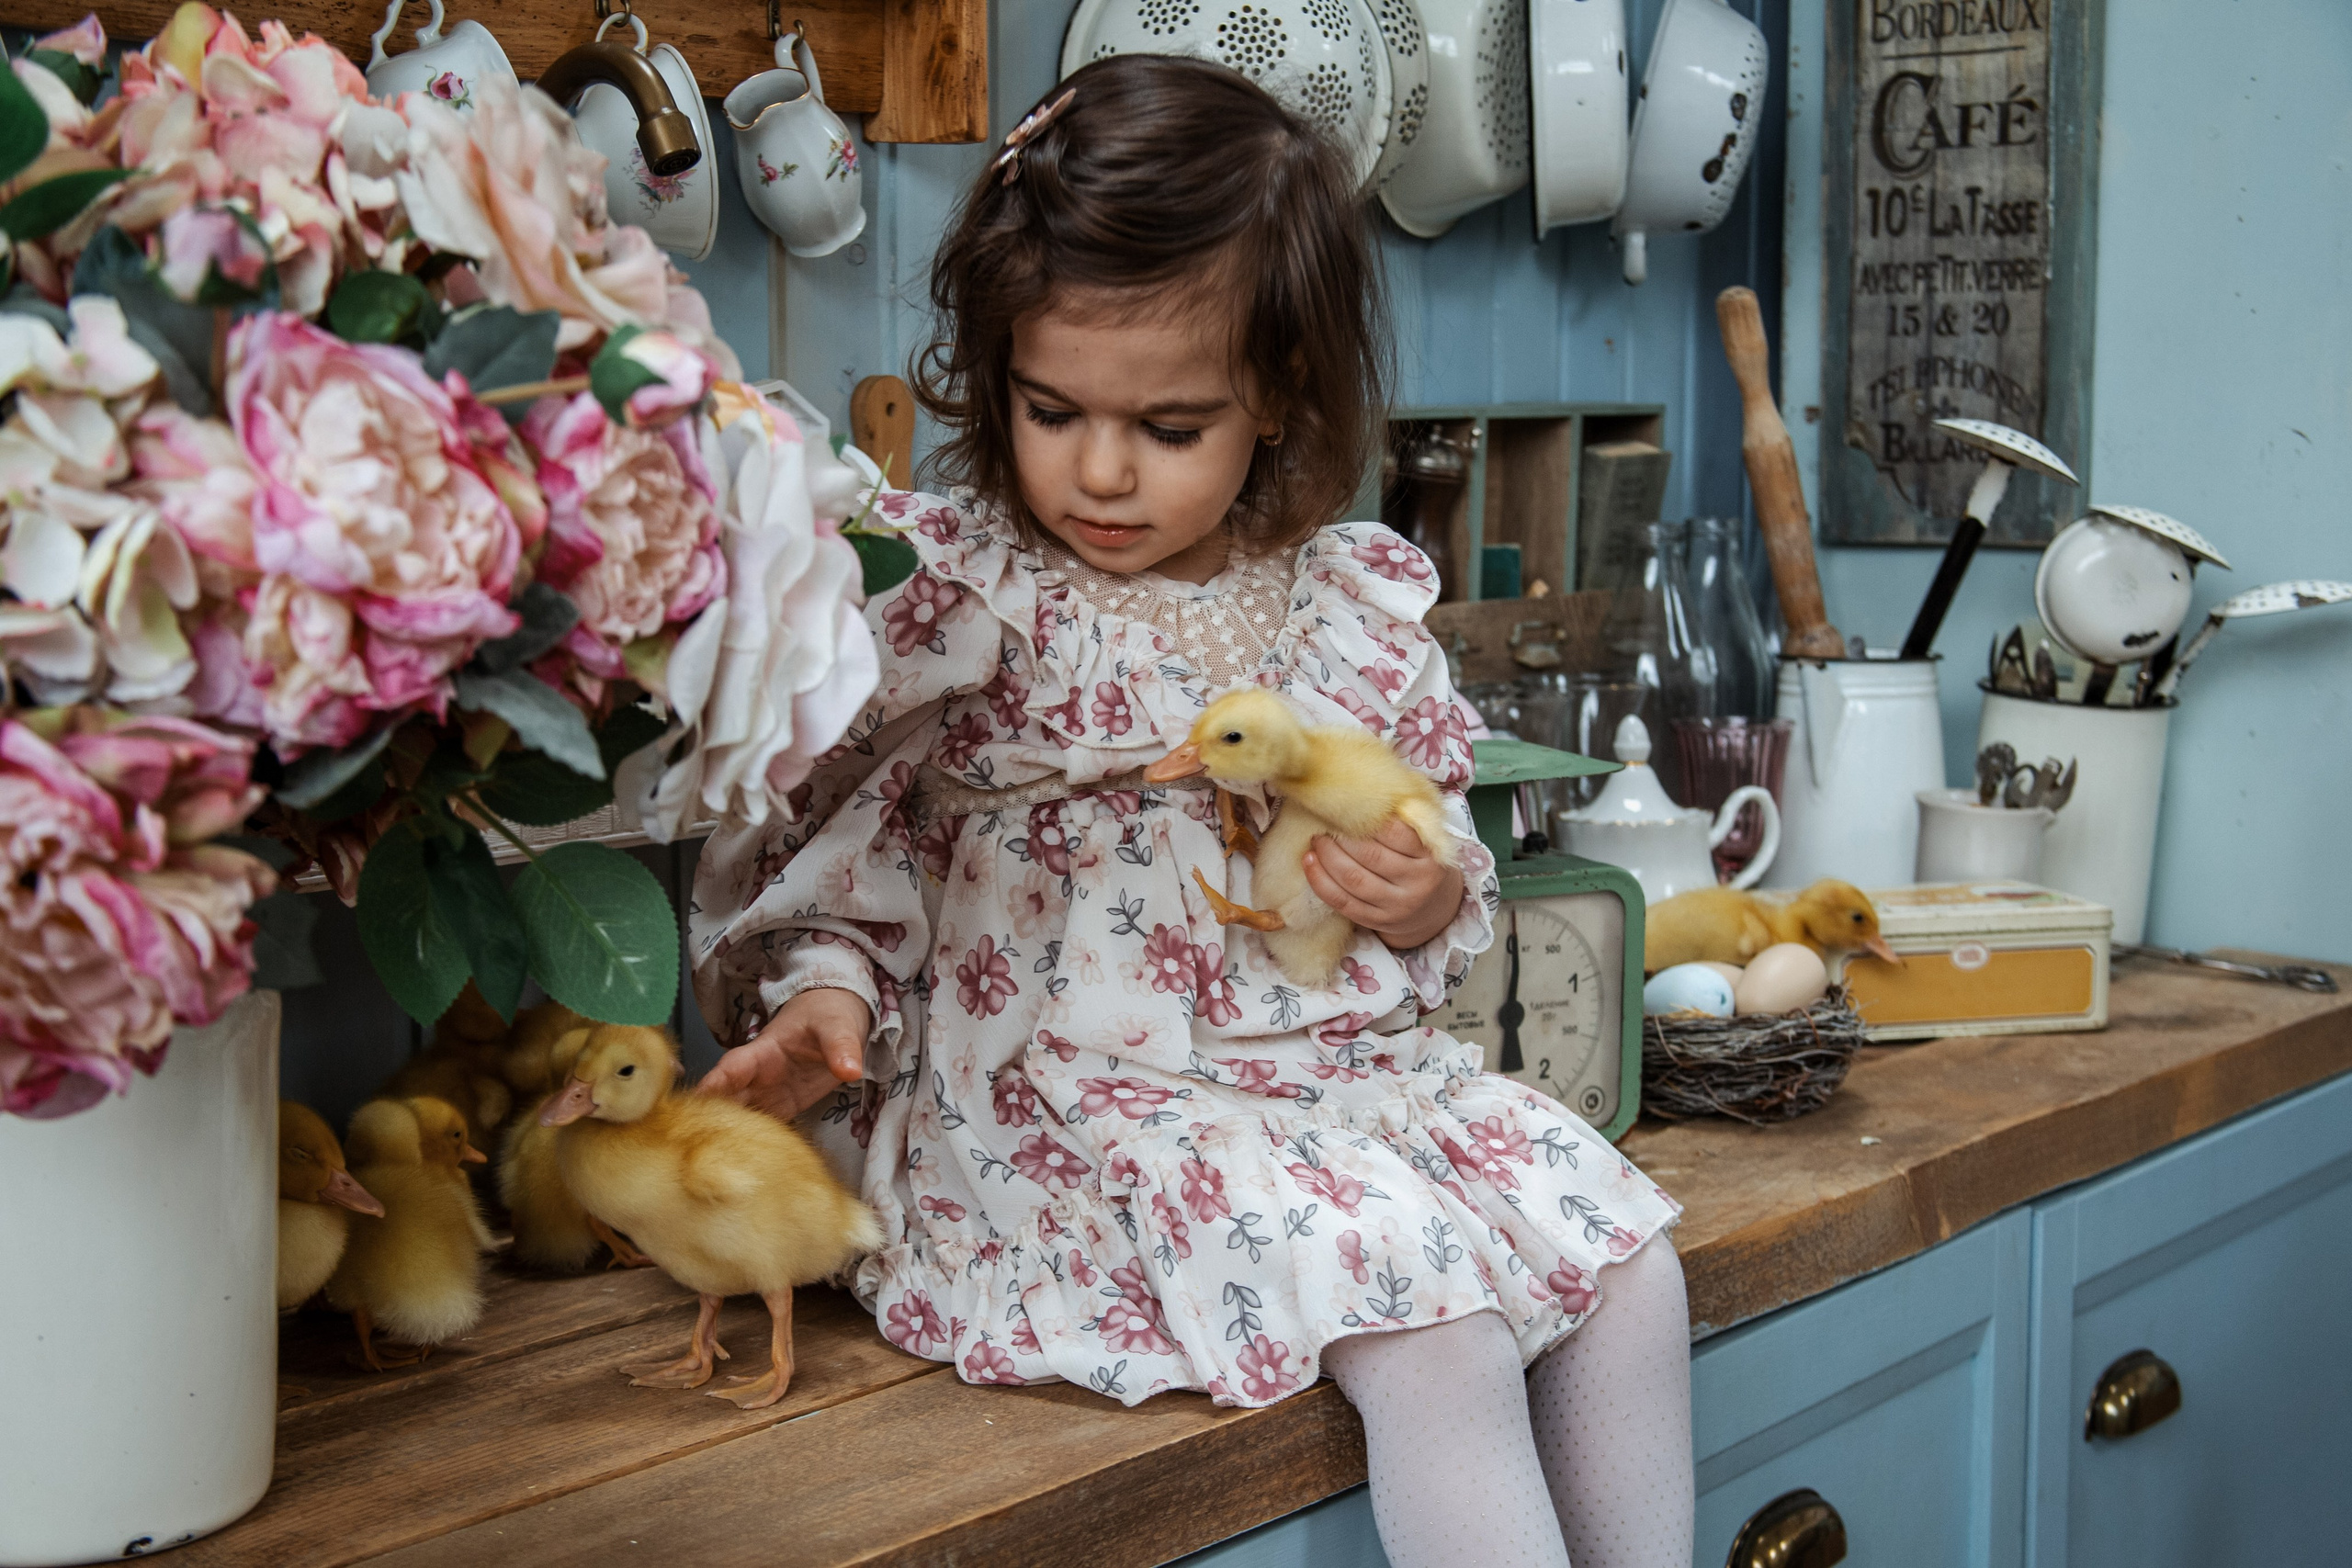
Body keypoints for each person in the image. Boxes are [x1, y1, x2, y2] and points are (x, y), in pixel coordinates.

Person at [692, 56, 1693, 1568]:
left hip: (1339, 1087)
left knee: (1634, 1270)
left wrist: (1419, 898)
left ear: (1278, 397)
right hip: (1075, 1114)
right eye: (1051, 409)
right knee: (1444, 1341)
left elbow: (1438, 835)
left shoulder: (1337, 603)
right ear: (995, 367)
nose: (1099, 470)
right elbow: (853, 837)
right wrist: (826, 998)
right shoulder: (964, 593)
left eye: (1169, 426)